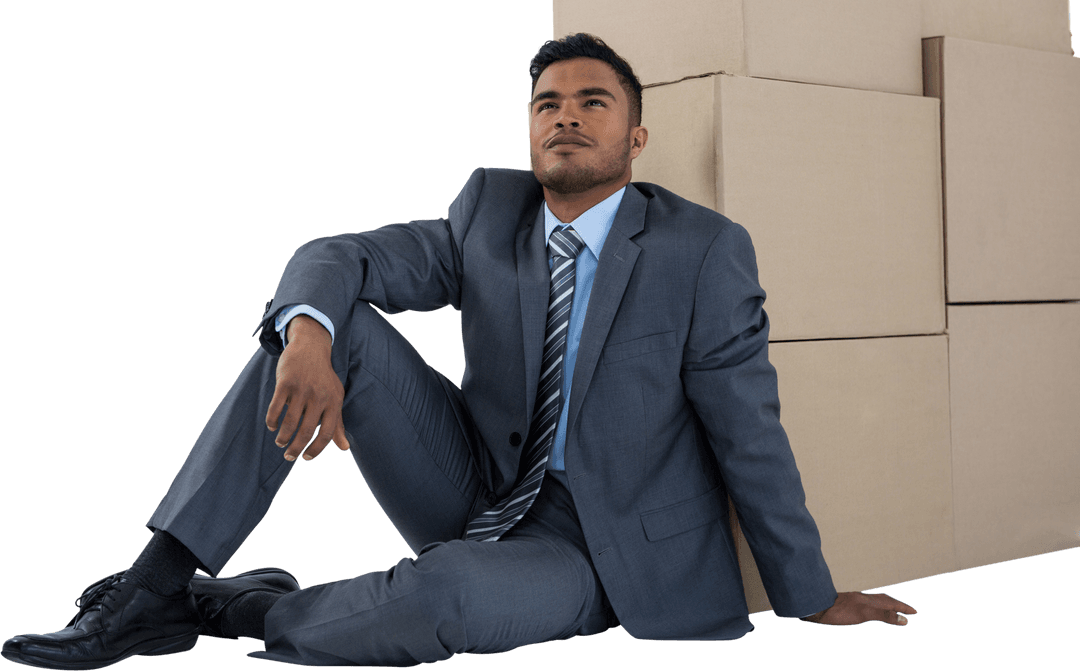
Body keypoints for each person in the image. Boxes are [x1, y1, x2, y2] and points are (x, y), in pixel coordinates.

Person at [2, 33, 916, 669]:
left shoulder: (703, 250)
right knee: (326, 319)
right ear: (529, 130)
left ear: (635, 138)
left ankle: (228, 606)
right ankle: (151, 584)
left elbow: (749, 430)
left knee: (446, 601)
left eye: (594, 102)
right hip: (471, 481)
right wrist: (308, 337)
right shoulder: (490, 212)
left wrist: (810, 592)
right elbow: (341, 255)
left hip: (596, 551)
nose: (567, 116)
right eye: (547, 103)